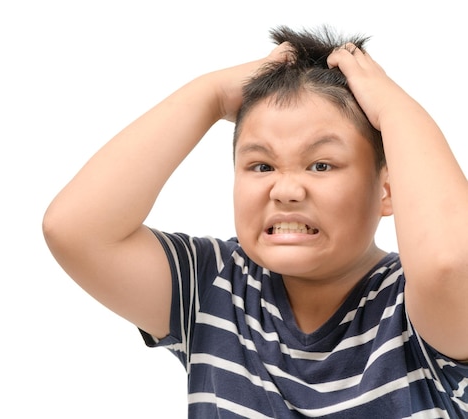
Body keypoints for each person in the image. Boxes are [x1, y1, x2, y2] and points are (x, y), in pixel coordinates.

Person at [43, 25, 468, 418]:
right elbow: (76, 229)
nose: (285, 190)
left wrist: (396, 110)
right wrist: (208, 95)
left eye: (321, 165)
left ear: (389, 190)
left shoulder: (415, 310)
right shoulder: (215, 285)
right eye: (261, 166)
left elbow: (448, 265)